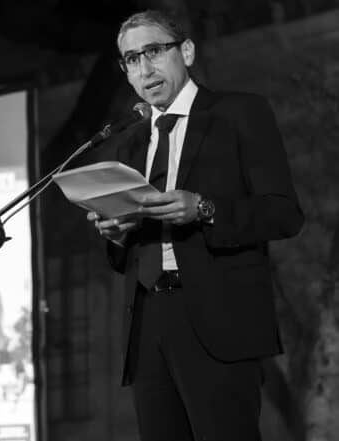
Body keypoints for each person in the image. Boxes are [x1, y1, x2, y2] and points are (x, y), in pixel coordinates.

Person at [88, 10, 304, 441]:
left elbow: (283, 213)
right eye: (132, 59)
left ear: (185, 51)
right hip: (147, 325)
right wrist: (117, 234)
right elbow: (123, 258)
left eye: (154, 51)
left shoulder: (239, 113)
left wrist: (204, 208)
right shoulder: (129, 143)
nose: (144, 68)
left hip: (219, 320)